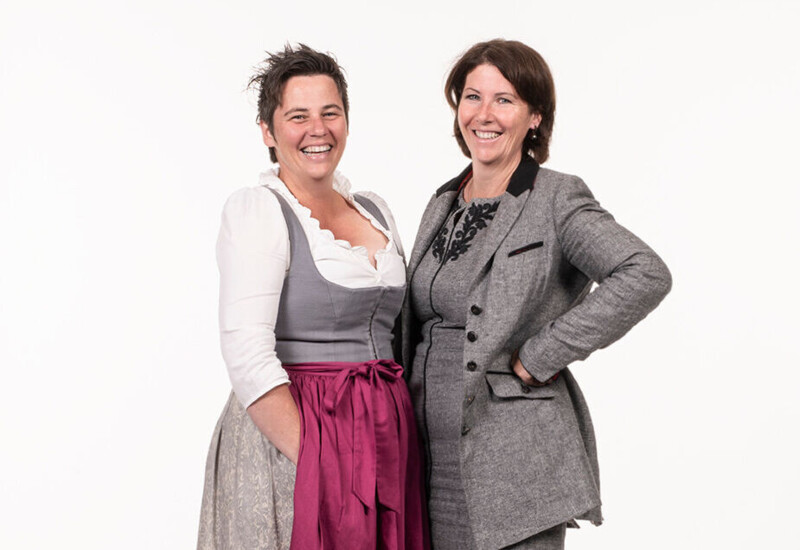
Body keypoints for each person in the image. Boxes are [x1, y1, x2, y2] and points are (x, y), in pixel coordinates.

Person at [403, 39, 672, 550]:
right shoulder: (443, 202)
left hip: (512, 463)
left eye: (504, 100)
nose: (484, 114)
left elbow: (643, 273)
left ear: (534, 117)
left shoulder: (556, 197)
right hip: (427, 458)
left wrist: (540, 355)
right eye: (471, 97)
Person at [198, 44, 428, 550]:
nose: (317, 129)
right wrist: (322, 461)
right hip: (297, 431)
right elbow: (247, 355)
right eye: (298, 116)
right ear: (268, 131)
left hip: (383, 435)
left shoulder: (374, 208)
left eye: (330, 113)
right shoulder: (259, 211)